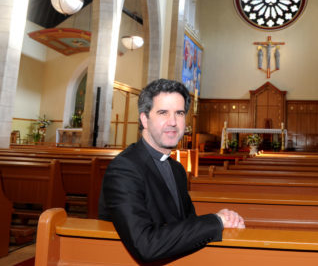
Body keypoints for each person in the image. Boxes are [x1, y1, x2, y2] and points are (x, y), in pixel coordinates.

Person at [99, 79, 245, 263]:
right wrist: (216, 221)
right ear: (144, 119)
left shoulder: (176, 169)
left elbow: (186, 225)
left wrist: (222, 219)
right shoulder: (124, 169)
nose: (173, 122)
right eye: (163, 113)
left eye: (179, 113)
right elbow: (146, 245)